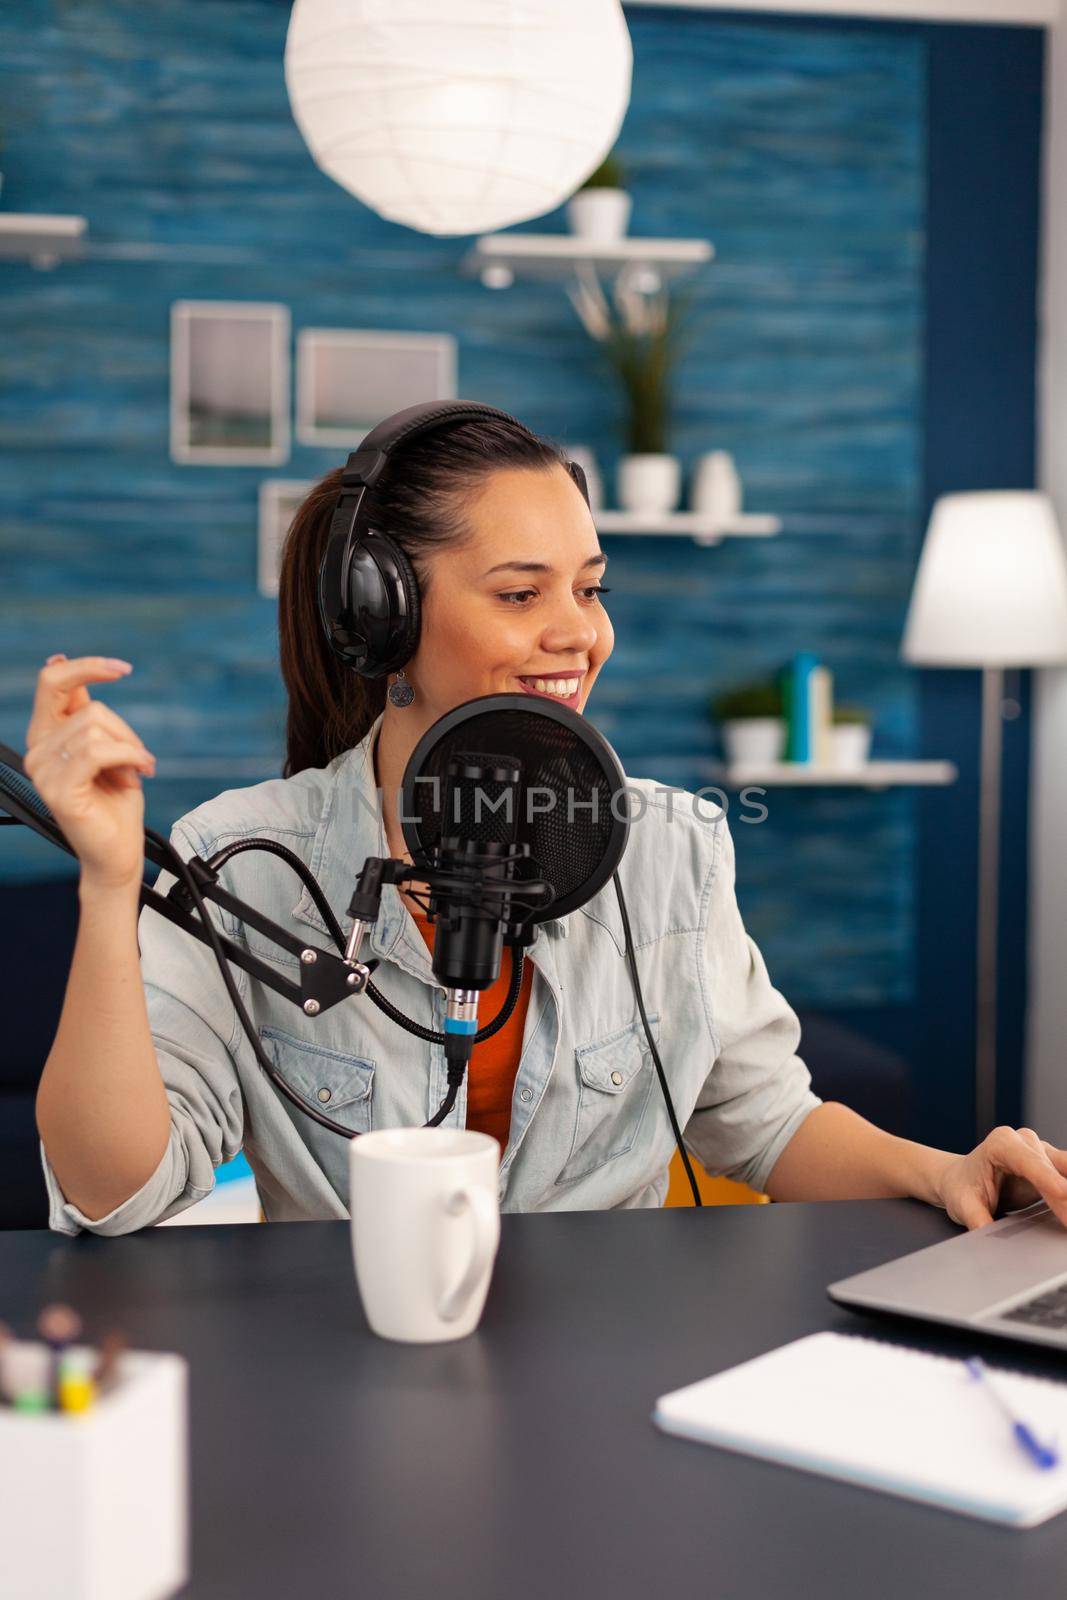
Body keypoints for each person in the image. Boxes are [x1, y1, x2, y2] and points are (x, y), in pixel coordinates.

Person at [26, 410, 1067, 1235]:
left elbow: (764, 1119)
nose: (577, 632)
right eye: (521, 593)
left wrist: (944, 1170)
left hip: (608, 1362)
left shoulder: (672, 847)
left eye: (589, 588)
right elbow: (119, 1192)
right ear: (380, 615)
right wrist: (110, 883)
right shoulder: (240, 860)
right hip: (348, 1367)